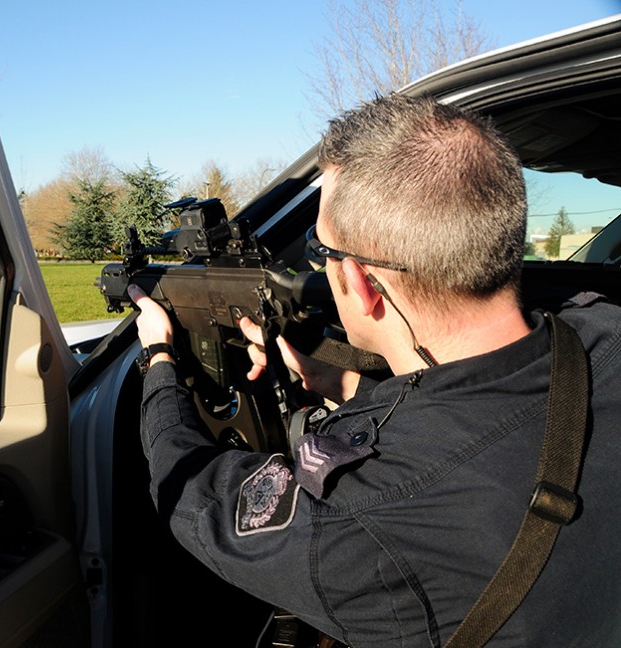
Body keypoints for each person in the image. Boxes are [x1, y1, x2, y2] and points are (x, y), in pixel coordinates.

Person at [127, 94, 621, 646]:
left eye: (319, 248)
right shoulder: (606, 330)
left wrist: (159, 360)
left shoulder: (364, 513)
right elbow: (479, 420)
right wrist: (332, 380)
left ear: (361, 283)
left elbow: (195, 500)